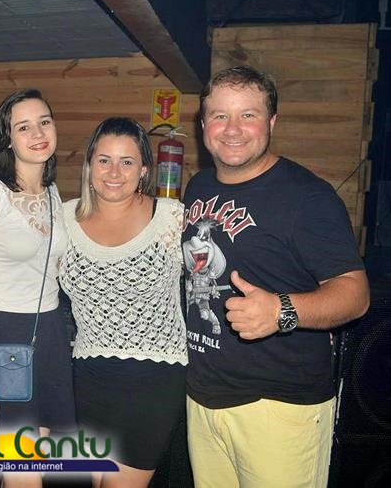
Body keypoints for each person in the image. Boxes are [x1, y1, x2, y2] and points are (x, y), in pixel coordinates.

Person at [181, 65, 370, 488]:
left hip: (278, 407)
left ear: (271, 122)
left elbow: (355, 295)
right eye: (220, 115)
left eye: (248, 115)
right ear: (203, 124)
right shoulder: (198, 187)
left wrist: (282, 310)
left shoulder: (307, 197)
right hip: (205, 398)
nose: (233, 129)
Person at [0, 89, 76, 487]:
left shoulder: (54, 194)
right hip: (3, 338)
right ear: (7, 139)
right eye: (23, 127)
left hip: (49, 335)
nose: (37, 133)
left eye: (44, 122)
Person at [58, 117, 187, 488]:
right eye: (104, 160)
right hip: (86, 376)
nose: (114, 172)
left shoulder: (171, 217)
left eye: (126, 162)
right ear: (89, 166)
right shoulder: (63, 218)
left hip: (154, 378)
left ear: (144, 170)